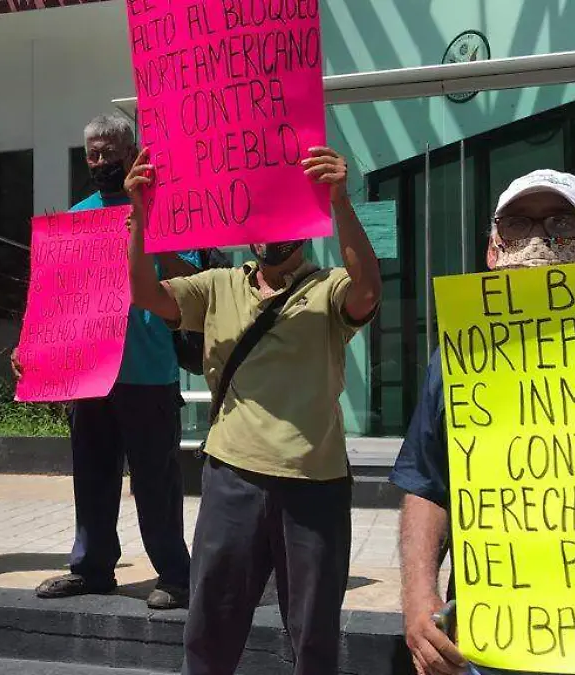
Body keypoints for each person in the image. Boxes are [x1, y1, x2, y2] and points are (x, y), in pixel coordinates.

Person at [126, 146, 382, 674]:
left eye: (284, 216)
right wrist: (141, 216)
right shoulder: (218, 286)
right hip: (231, 479)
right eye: (261, 218)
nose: (271, 232)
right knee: (210, 628)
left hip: (314, 483)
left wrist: (340, 201)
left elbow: (367, 291)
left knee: (313, 635)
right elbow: (145, 293)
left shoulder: (329, 286)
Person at [390, 170, 575, 675]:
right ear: (492, 250)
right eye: (517, 225)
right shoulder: (458, 359)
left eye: (560, 224)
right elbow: (427, 483)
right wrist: (418, 599)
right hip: (493, 636)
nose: (536, 240)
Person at [12, 114, 196, 610]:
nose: (101, 161)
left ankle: (177, 575)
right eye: (93, 153)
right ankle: (92, 569)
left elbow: (191, 284)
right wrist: (30, 349)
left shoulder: (165, 210)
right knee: (92, 475)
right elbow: (55, 302)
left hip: (148, 373)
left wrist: (150, 226)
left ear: (132, 150)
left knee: (155, 479)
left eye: (111, 150)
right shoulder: (76, 218)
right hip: (89, 376)